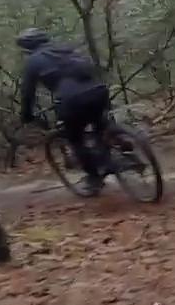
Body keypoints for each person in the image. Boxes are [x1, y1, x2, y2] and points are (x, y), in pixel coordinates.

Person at [17, 27, 111, 195]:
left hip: (71, 100)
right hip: (98, 90)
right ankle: (118, 147)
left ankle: (94, 178)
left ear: (26, 48)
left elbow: (27, 93)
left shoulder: (33, 61)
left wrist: (26, 115)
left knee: (75, 138)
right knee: (100, 123)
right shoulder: (66, 49)